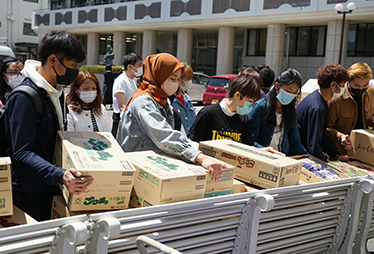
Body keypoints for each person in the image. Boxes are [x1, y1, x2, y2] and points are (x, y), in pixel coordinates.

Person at [4, 30, 93, 221]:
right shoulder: (25, 97)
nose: (75, 71)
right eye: (73, 65)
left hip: (51, 186)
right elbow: (22, 153)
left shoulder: (56, 92)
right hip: (29, 192)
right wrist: (59, 175)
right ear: (53, 60)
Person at [116, 53, 226, 182]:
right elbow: (163, 134)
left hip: (154, 167)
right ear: (158, 75)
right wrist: (199, 156)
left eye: (178, 79)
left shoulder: (162, 99)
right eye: (173, 79)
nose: (177, 84)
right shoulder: (144, 101)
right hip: (137, 170)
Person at [297, 63, 353, 162]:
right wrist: (325, 165)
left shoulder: (319, 100)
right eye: (343, 85)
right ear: (333, 85)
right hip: (300, 157)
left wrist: (336, 155)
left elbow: (322, 134)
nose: (344, 88)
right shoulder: (317, 108)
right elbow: (314, 144)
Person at [248, 68, 308, 156]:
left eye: (294, 93)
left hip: (279, 158)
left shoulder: (290, 111)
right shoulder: (259, 108)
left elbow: (295, 142)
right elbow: (251, 141)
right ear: (277, 86)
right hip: (261, 158)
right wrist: (265, 151)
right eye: (288, 91)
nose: (291, 95)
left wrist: (308, 159)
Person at [188, 74, 261, 145]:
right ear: (237, 95)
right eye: (250, 101)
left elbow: (247, 147)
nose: (250, 106)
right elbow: (192, 142)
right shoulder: (207, 114)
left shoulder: (243, 119)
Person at [327, 62, 374, 155]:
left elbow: (369, 117)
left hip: (364, 148)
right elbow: (326, 128)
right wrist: (340, 137)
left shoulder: (371, 92)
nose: (361, 89)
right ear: (348, 81)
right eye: (356, 85)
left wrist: (372, 120)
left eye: (365, 85)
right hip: (341, 151)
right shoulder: (336, 98)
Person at [112, 52, 142, 138]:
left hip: (131, 118)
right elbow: (122, 106)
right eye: (139, 65)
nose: (141, 68)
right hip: (122, 120)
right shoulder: (121, 81)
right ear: (130, 67)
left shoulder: (132, 80)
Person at [171, 63, 196, 134]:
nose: (189, 82)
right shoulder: (170, 100)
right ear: (179, 79)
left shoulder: (187, 98)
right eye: (187, 80)